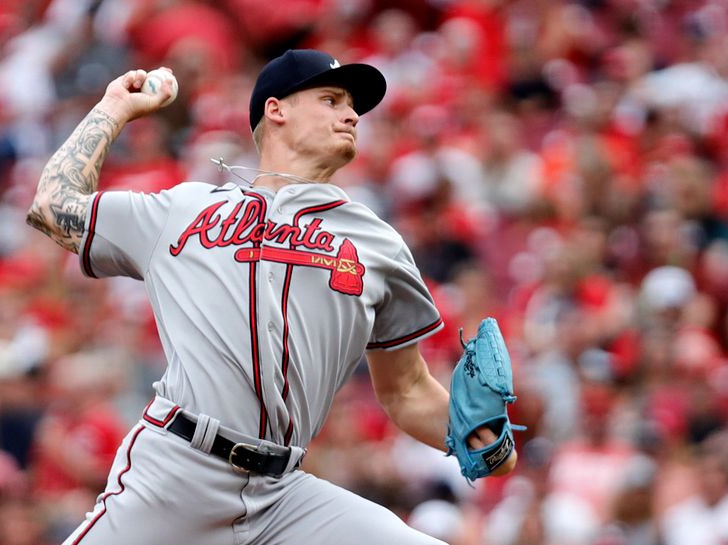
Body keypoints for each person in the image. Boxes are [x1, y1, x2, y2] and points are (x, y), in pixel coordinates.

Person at [26, 49, 517, 545]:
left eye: (352, 106)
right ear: (276, 109)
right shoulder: (183, 210)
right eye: (331, 99)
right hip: (175, 475)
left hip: (283, 496)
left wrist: (475, 434)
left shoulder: (378, 244)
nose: (351, 115)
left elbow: (407, 389)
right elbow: (51, 206)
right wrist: (114, 108)